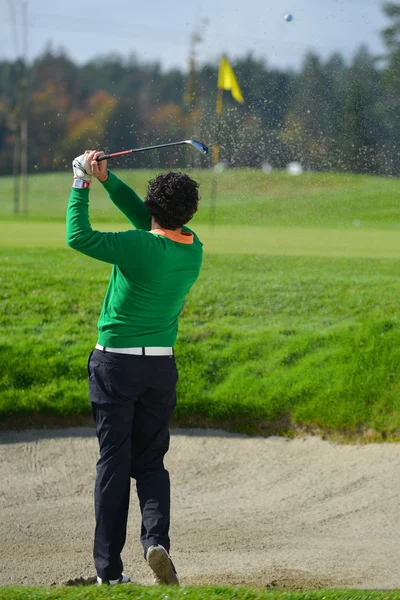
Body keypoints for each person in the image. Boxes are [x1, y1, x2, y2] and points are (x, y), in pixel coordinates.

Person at [66, 150, 203, 586]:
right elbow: (152, 219)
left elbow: (78, 236)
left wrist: (81, 182)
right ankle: (155, 542)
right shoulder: (192, 246)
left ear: (152, 210)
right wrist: (108, 180)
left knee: (113, 463)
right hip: (160, 369)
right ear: (189, 213)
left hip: (115, 367)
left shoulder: (139, 244)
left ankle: (109, 572)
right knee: (150, 463)